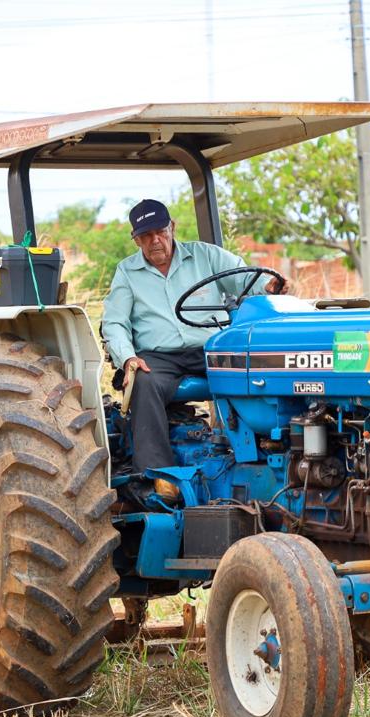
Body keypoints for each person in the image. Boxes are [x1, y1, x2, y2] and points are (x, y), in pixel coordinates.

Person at [101, 199, 287, 501]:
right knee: (143, 382)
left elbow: (246, 278)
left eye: (160, 232)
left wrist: (268, 286)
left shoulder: (205, 256)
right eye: (146, 236)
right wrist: (128, 358)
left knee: (256, 368)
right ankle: (158, 478)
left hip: (209, 348)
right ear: (136, 239)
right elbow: (114, 323)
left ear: (172, 227)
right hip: (159, 357)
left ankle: (264, 449)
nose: (155, 241)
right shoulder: (127, 272)